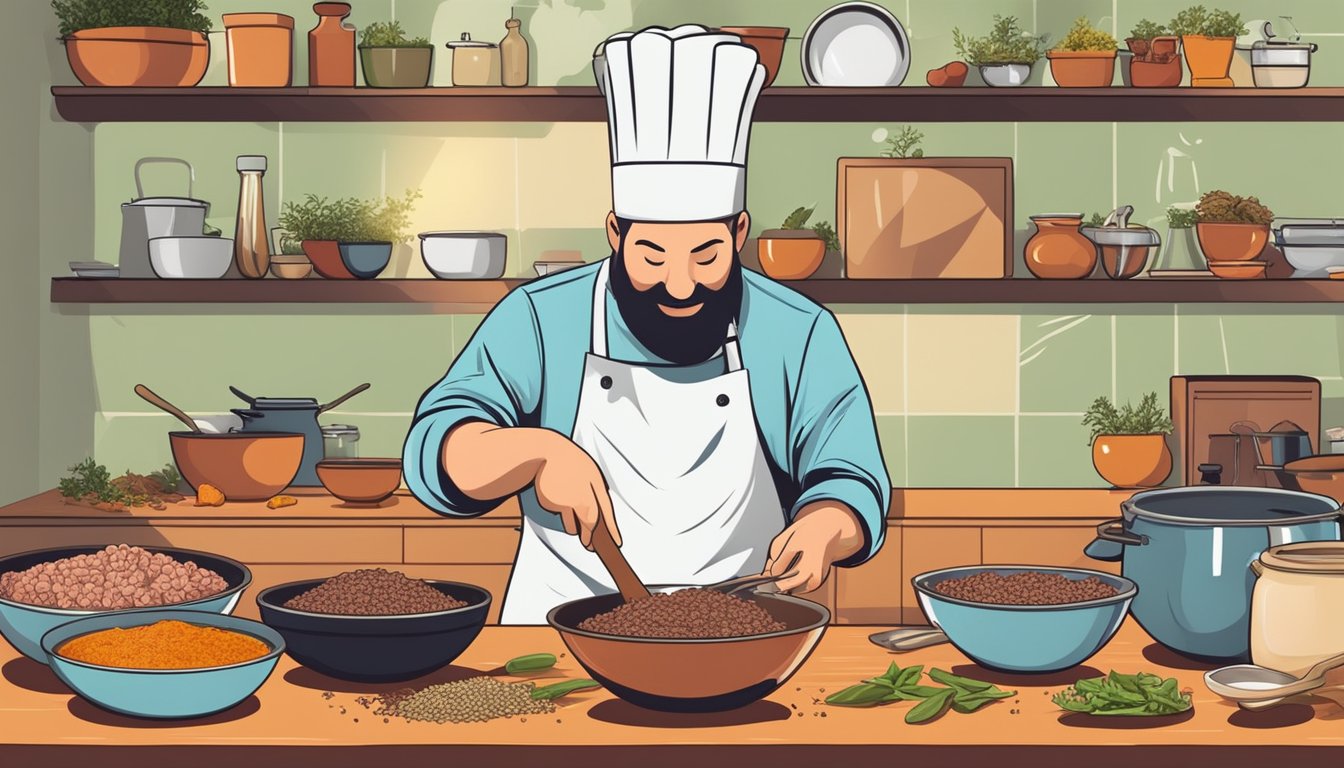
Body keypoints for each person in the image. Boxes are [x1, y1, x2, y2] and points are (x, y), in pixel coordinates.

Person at [404, 25, 889, 624]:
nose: (680, 285)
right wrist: (534, 451)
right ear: (615, 234)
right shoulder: (541, 317)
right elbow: (436, 452)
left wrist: (824, 527)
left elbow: (851, 478)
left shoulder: (798, 331)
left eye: (707, 257)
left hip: (741, 634)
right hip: (556, 638)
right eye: (653, 257)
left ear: (739, 234)